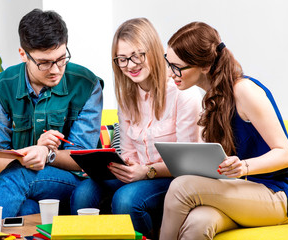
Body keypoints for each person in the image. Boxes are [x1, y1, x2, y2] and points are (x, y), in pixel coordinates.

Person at [70, 18, 202, 239]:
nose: (130, 65)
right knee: (83, 193)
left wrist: (146, 171)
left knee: (126, 199)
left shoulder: (183, 93)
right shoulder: (127, 97)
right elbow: (129, 151)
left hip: (174, 179)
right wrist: (123, 165)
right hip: (139, 174)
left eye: (137, 55)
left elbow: (186, 164)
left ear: (154, 51)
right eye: (122, 59)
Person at [160, 21, 288, 240]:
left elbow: (286, 152)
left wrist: (243, 167)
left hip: (277, 194)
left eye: (177, 67)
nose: (171, 73)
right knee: (198, 223)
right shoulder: (212, 98)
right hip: (243, 190)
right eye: (168, 63)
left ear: (204, 66)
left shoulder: (244, 91)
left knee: (182, 187)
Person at [0, 9, 103, 217]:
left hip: (78, 184)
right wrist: (30, 153)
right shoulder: (0, 88)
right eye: (44, 63)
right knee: (25, 210)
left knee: (19, 175)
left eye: (61, 58)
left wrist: (46, 154)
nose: (55, 69)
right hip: (27, 187)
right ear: (23, 55)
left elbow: (83, 158)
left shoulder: (87, 84)